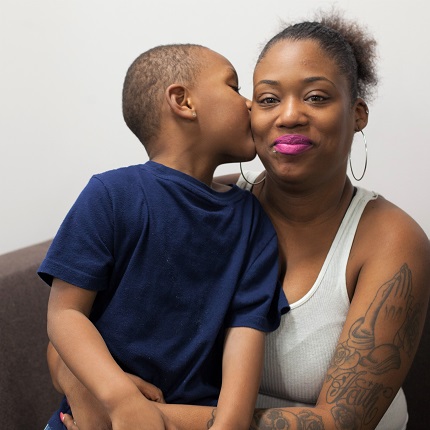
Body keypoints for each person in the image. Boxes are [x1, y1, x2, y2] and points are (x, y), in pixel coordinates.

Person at [50, 10, 430, 430]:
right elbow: (70, 329)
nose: (288, 116)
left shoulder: (391, 237)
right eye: (267, 98)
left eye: (317, 97)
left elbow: (340, 423)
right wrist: (100, 396)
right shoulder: (209, 202)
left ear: (358, 114)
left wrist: (133, 415)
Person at [38, 43, 288, 430]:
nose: (251, 104)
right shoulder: (110, 195)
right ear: (183, 101)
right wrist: (120, 399)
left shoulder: (252, 221)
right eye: (233, 86)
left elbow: (245, 339)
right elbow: (65, 314)